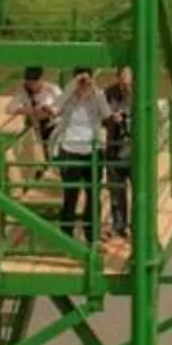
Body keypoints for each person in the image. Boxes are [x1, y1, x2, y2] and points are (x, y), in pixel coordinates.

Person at [51, 69, 109, 243]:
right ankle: (66, 236)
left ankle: (91, 235)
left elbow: (106, 114)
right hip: (70, 150)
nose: (83, 84)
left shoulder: (98, 97)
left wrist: (94, 89)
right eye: (79, 80)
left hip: (92, 151)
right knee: (70, 195)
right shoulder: (68, 98)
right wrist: (72, 87)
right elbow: (56, 107)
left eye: (86, 80)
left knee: (93, 196)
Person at [5, 65, 61, 175]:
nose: (32, 85)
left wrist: (49, 110)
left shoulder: (52, 89)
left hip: (55, 126)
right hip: (39, 128)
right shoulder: (24, 92)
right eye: (30, 82)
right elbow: (9, 108)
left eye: (34, 81)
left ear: (41, 79)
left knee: (54, 153)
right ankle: (45, 170)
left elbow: (63, 105)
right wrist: (28, 110)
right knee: (45, 152)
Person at [101, 71, 135, 242]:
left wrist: (128, 119)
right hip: (114, 148)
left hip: (135, 151)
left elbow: (154, 120)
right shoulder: (109, 93)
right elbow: (101, 116)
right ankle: (119, 226)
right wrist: (110, 118)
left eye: (127, 82)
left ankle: (137, 228)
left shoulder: (141, 93)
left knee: (139, 192)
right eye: (122, 82)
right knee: (116, 191)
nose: (124, 85)